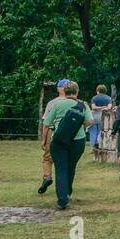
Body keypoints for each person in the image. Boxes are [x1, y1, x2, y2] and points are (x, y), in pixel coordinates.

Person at [41, 81, 92, 210]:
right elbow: (89, 121)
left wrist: (43, 140)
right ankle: (68, 192)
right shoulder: (83, 105)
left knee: (61, 168)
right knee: (71, 166)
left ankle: (62, 199)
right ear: (77, 92)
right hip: (77, 141)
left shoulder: (57, 104)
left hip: (58, 141)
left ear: (64, 91)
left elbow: (46, 123)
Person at [38, 78, 71, 195]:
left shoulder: (52, 103)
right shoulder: (75, 102)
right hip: (69, 133)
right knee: (65, 159)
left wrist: (43, 139)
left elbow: (46, 124)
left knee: (47, 158)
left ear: (59, 89)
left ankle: (47, 177)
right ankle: (65, 183)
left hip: (53, 131)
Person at [88, 84, 113, 150]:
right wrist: (103, 107)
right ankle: (99, 143)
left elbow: (93, 107)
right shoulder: (108, 98)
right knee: (100, 130)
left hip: (94, 116)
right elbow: (109, 107)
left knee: (93, 131)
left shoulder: (94, 98)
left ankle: (93, 146)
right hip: (104, 117)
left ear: (98, 90)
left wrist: (99, 107)